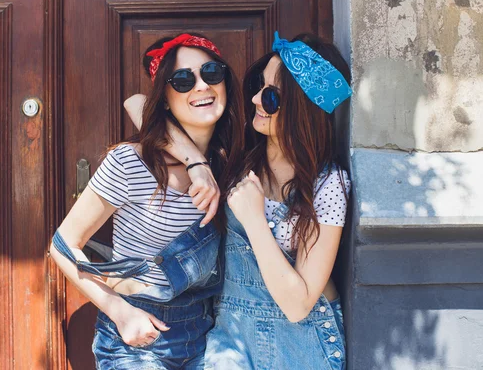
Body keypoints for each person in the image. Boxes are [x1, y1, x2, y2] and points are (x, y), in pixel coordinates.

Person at [124, 31, 352, 369]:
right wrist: (196, 163)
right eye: (257, 87)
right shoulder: (236, 159)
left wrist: (255, 219)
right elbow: (136, 103)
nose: (257, 100)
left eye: (272, 97)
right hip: (231, 341)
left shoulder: (327, 184)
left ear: (304, 108)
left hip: (303, 344)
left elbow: (298, 304)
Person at [50, 33, 244, 369]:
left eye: (211, 73)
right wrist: (120, 312)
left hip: (209, 334)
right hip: (137, 339)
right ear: (165, 99)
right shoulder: (131, 162)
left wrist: (199, 163)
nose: (201, 86)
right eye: (183, 80)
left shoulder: (234, 163)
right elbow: (62, 245)